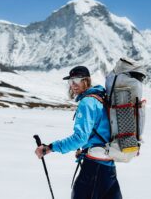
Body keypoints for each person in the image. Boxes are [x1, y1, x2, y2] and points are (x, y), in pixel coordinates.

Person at [35, 66, 123, 199]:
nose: (73, 85)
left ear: (86, 81)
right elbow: (101, 132)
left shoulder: (87, 102)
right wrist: (85, 150)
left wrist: (50, 147)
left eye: (76, 80)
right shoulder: (101, 98)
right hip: (108, 167)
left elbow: (80, 138)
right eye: (70, 81)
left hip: (94, 169)